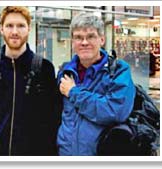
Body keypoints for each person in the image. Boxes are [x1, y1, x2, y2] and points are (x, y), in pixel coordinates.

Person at [0, 6, 60, 156]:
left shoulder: (44, 69)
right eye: (9, 25)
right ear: (1, 29)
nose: (15, 31)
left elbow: (52, 121)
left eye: (21, 25)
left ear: (29, 29)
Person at [56, 13, 136, 156]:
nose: (84, 42)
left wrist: (74, 92)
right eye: (78, 37)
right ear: (72, 42)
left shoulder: (118, 71)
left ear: (102, 39)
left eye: (91, 36)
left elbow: (115, 111)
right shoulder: (65, 72)